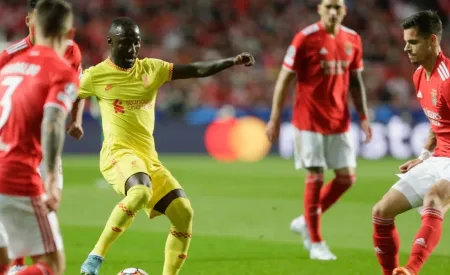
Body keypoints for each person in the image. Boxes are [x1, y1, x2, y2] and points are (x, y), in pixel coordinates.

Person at [77, 17, 254, 275]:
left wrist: (231, 61)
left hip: (149, 159)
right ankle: (94, 258)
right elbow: (63, 95)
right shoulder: (95, 76)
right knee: (139, 193)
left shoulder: (152, 69)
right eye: (125, 43)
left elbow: (195, 70)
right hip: (118, 154)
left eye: (136, 43)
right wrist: (72, 120)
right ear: (110, 42)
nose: (132, 49)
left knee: (183, 213)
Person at [0, 0, 84, 271]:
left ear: (34, 25)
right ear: (69, 33)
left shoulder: (10, 66)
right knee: (51, 265)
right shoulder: (60, 70)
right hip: (14, 172)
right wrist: (51, 179)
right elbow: (52, 123)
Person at [265, 0, 371, 260]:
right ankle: (316, 242)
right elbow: (284, 79)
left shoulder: (353, 39)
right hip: (309, 120)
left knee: (347, 178)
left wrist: (364, 117)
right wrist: (275, 117)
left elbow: (355, 81)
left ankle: (306, 219)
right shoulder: (305, 38)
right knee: (316, 176)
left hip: (339, 120)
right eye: (329, 7)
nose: (333, 12)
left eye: (338, 7)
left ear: (345, 11)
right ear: (319, 10)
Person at [369, 10, 449, 275]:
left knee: (434, 199)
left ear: (433, 41)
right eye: (405, 41)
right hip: (439, 159)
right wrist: (425, 157)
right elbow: (436, 122)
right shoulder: (419, 76)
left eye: (412, 42)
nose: (405, 48)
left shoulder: (448, 81)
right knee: (381, 211)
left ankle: (411, 270)